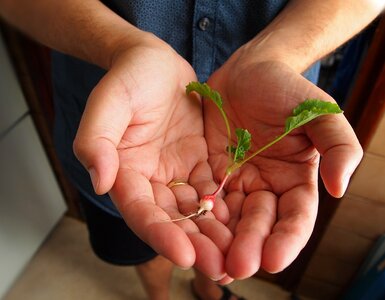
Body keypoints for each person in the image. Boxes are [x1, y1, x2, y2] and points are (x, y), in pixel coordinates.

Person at [1, 1, 383, 299]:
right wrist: (121, 45)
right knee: (141, 242)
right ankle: (158, 297)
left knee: (222, 241)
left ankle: (208, 288)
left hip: (267, 97)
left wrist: (274, 54)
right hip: (128, 131)